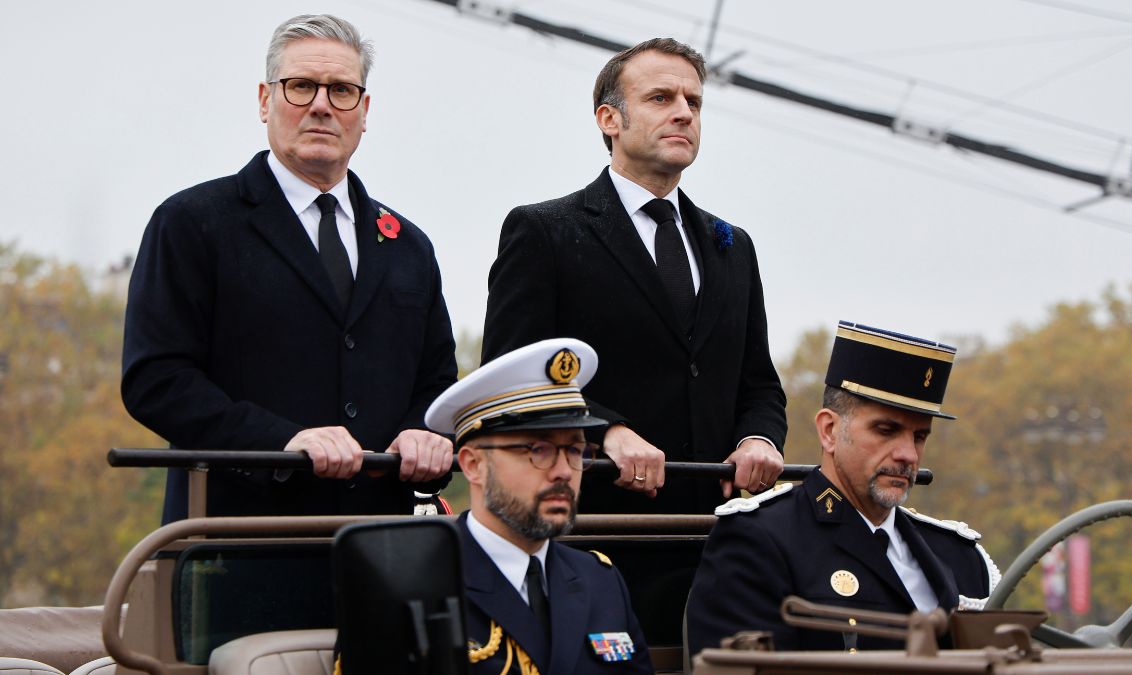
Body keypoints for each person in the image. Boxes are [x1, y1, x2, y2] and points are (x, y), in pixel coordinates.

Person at [121, 14, 457, 524]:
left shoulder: (408, 245)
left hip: (383, 548)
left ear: (364, 111)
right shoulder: (193, 223)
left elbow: (437, 382)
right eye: (301, 87)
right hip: (239, 544)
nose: (321, 105)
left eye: (342, 90)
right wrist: (282, 441)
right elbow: (156, 380)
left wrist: (426, 431)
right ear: (264, 100)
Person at [481, 37, 786, 515]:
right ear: (609, 119)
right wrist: (606, 431)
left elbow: (759, 384)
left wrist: (759, 438)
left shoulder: (734, 246)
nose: (684, 113)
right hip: (594, 528)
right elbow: (512, 378)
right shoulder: (545, 232)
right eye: (661, 98)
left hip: (714, 534)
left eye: (694, 102)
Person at [687, 321, 1000, 653]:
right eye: (886, 430)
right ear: (829, 431)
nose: (908, 454)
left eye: (919, 436)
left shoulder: (959, 556)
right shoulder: (761, 542)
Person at [424, 338, 654, 674]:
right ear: (473, 465)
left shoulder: (599, 581)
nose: (563, 471)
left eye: (575, 451)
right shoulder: (415, 582)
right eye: (538, 450)